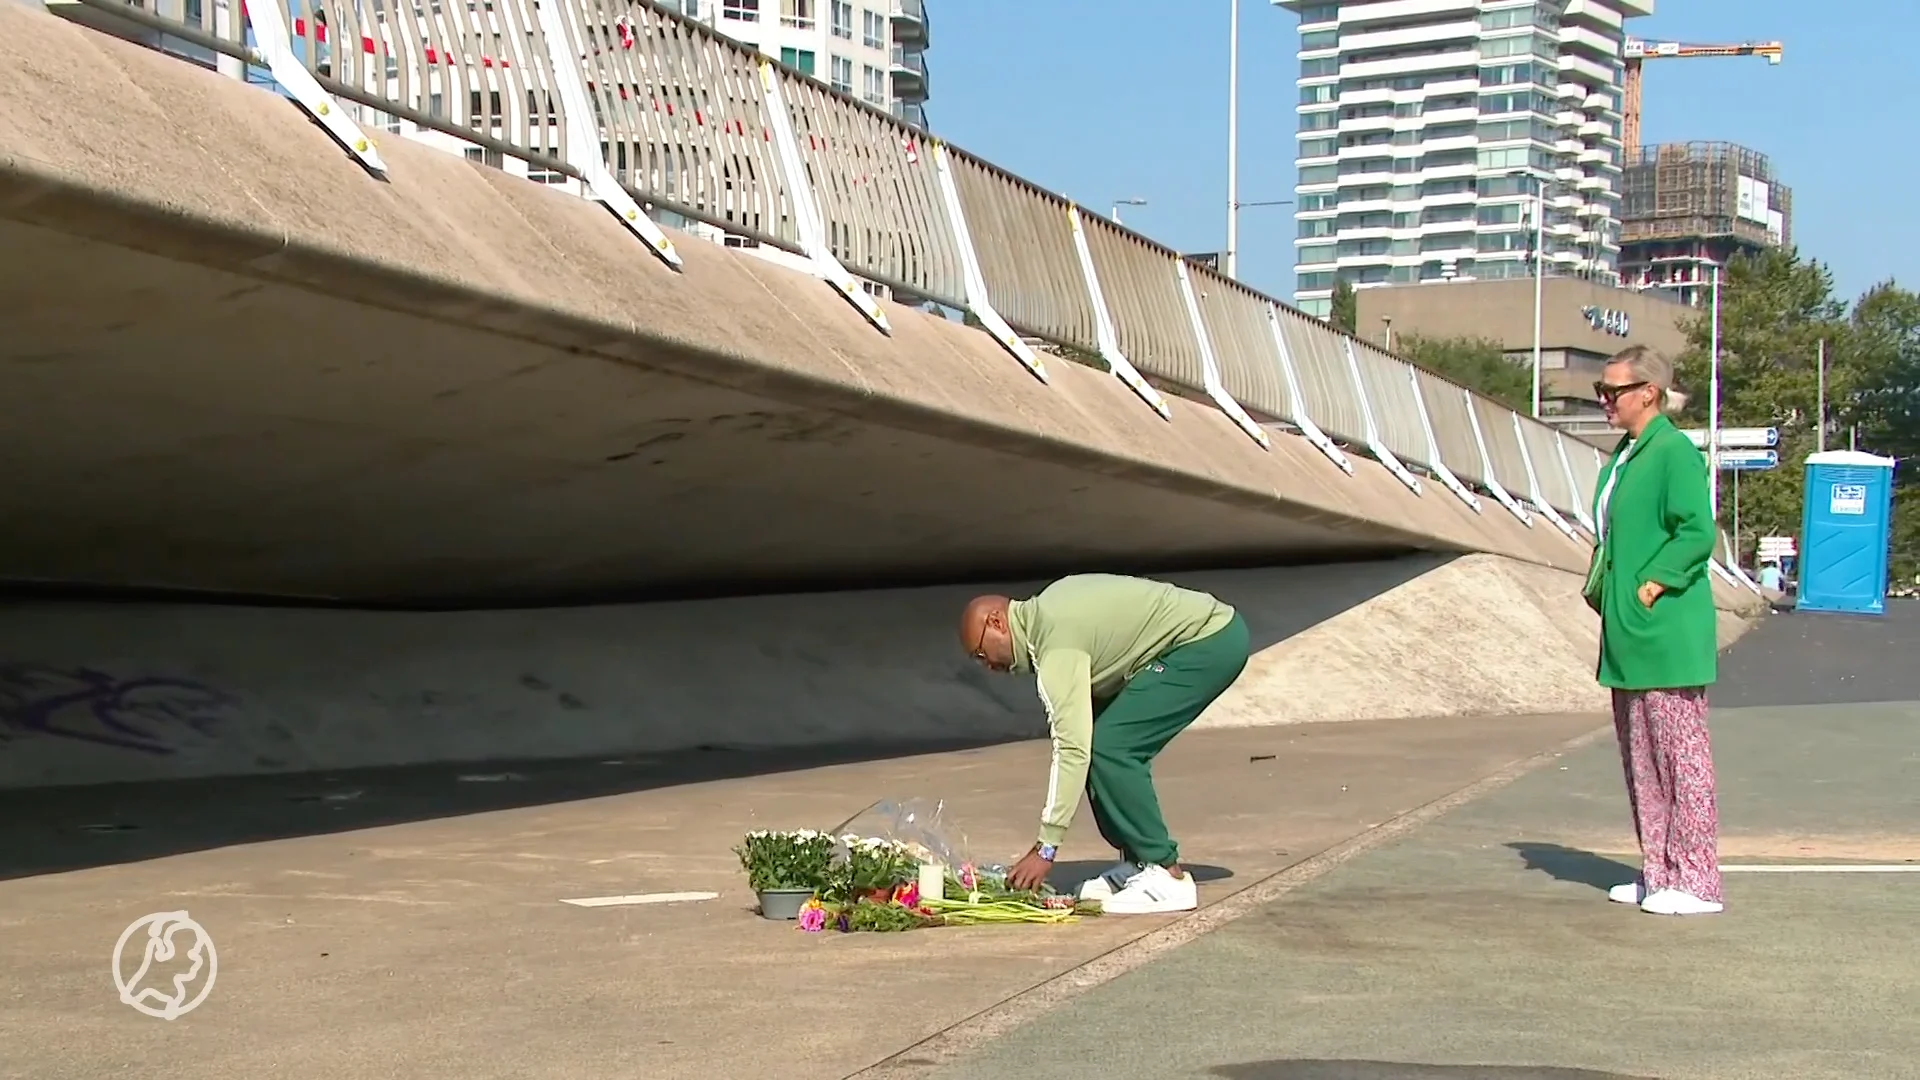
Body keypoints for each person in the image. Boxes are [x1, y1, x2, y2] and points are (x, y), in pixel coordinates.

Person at [958, 574, 1250, 915]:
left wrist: (1046, 848)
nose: (988, 666)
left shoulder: (1055, 644)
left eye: (981, 653)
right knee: (1101, 741)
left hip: (1209, 640)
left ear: (997, 622)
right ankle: (1139, 862)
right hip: (1198, 638)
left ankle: (1165, 874)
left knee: (1113, 747)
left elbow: (1071, 750)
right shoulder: (1048, 611)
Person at [1590, 344, 1725, 917]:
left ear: (1648, 392)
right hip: (1628, 630)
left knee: (1680, 758)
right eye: (1600, 391)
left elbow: (1697, 531)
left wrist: (1653, 583)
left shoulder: (1672, 452)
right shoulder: (1626, 455)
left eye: (1612, 391)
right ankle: (1659, 871)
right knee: (1641, 759)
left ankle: (1698, 881)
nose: (1604, 400)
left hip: (1665, 626)